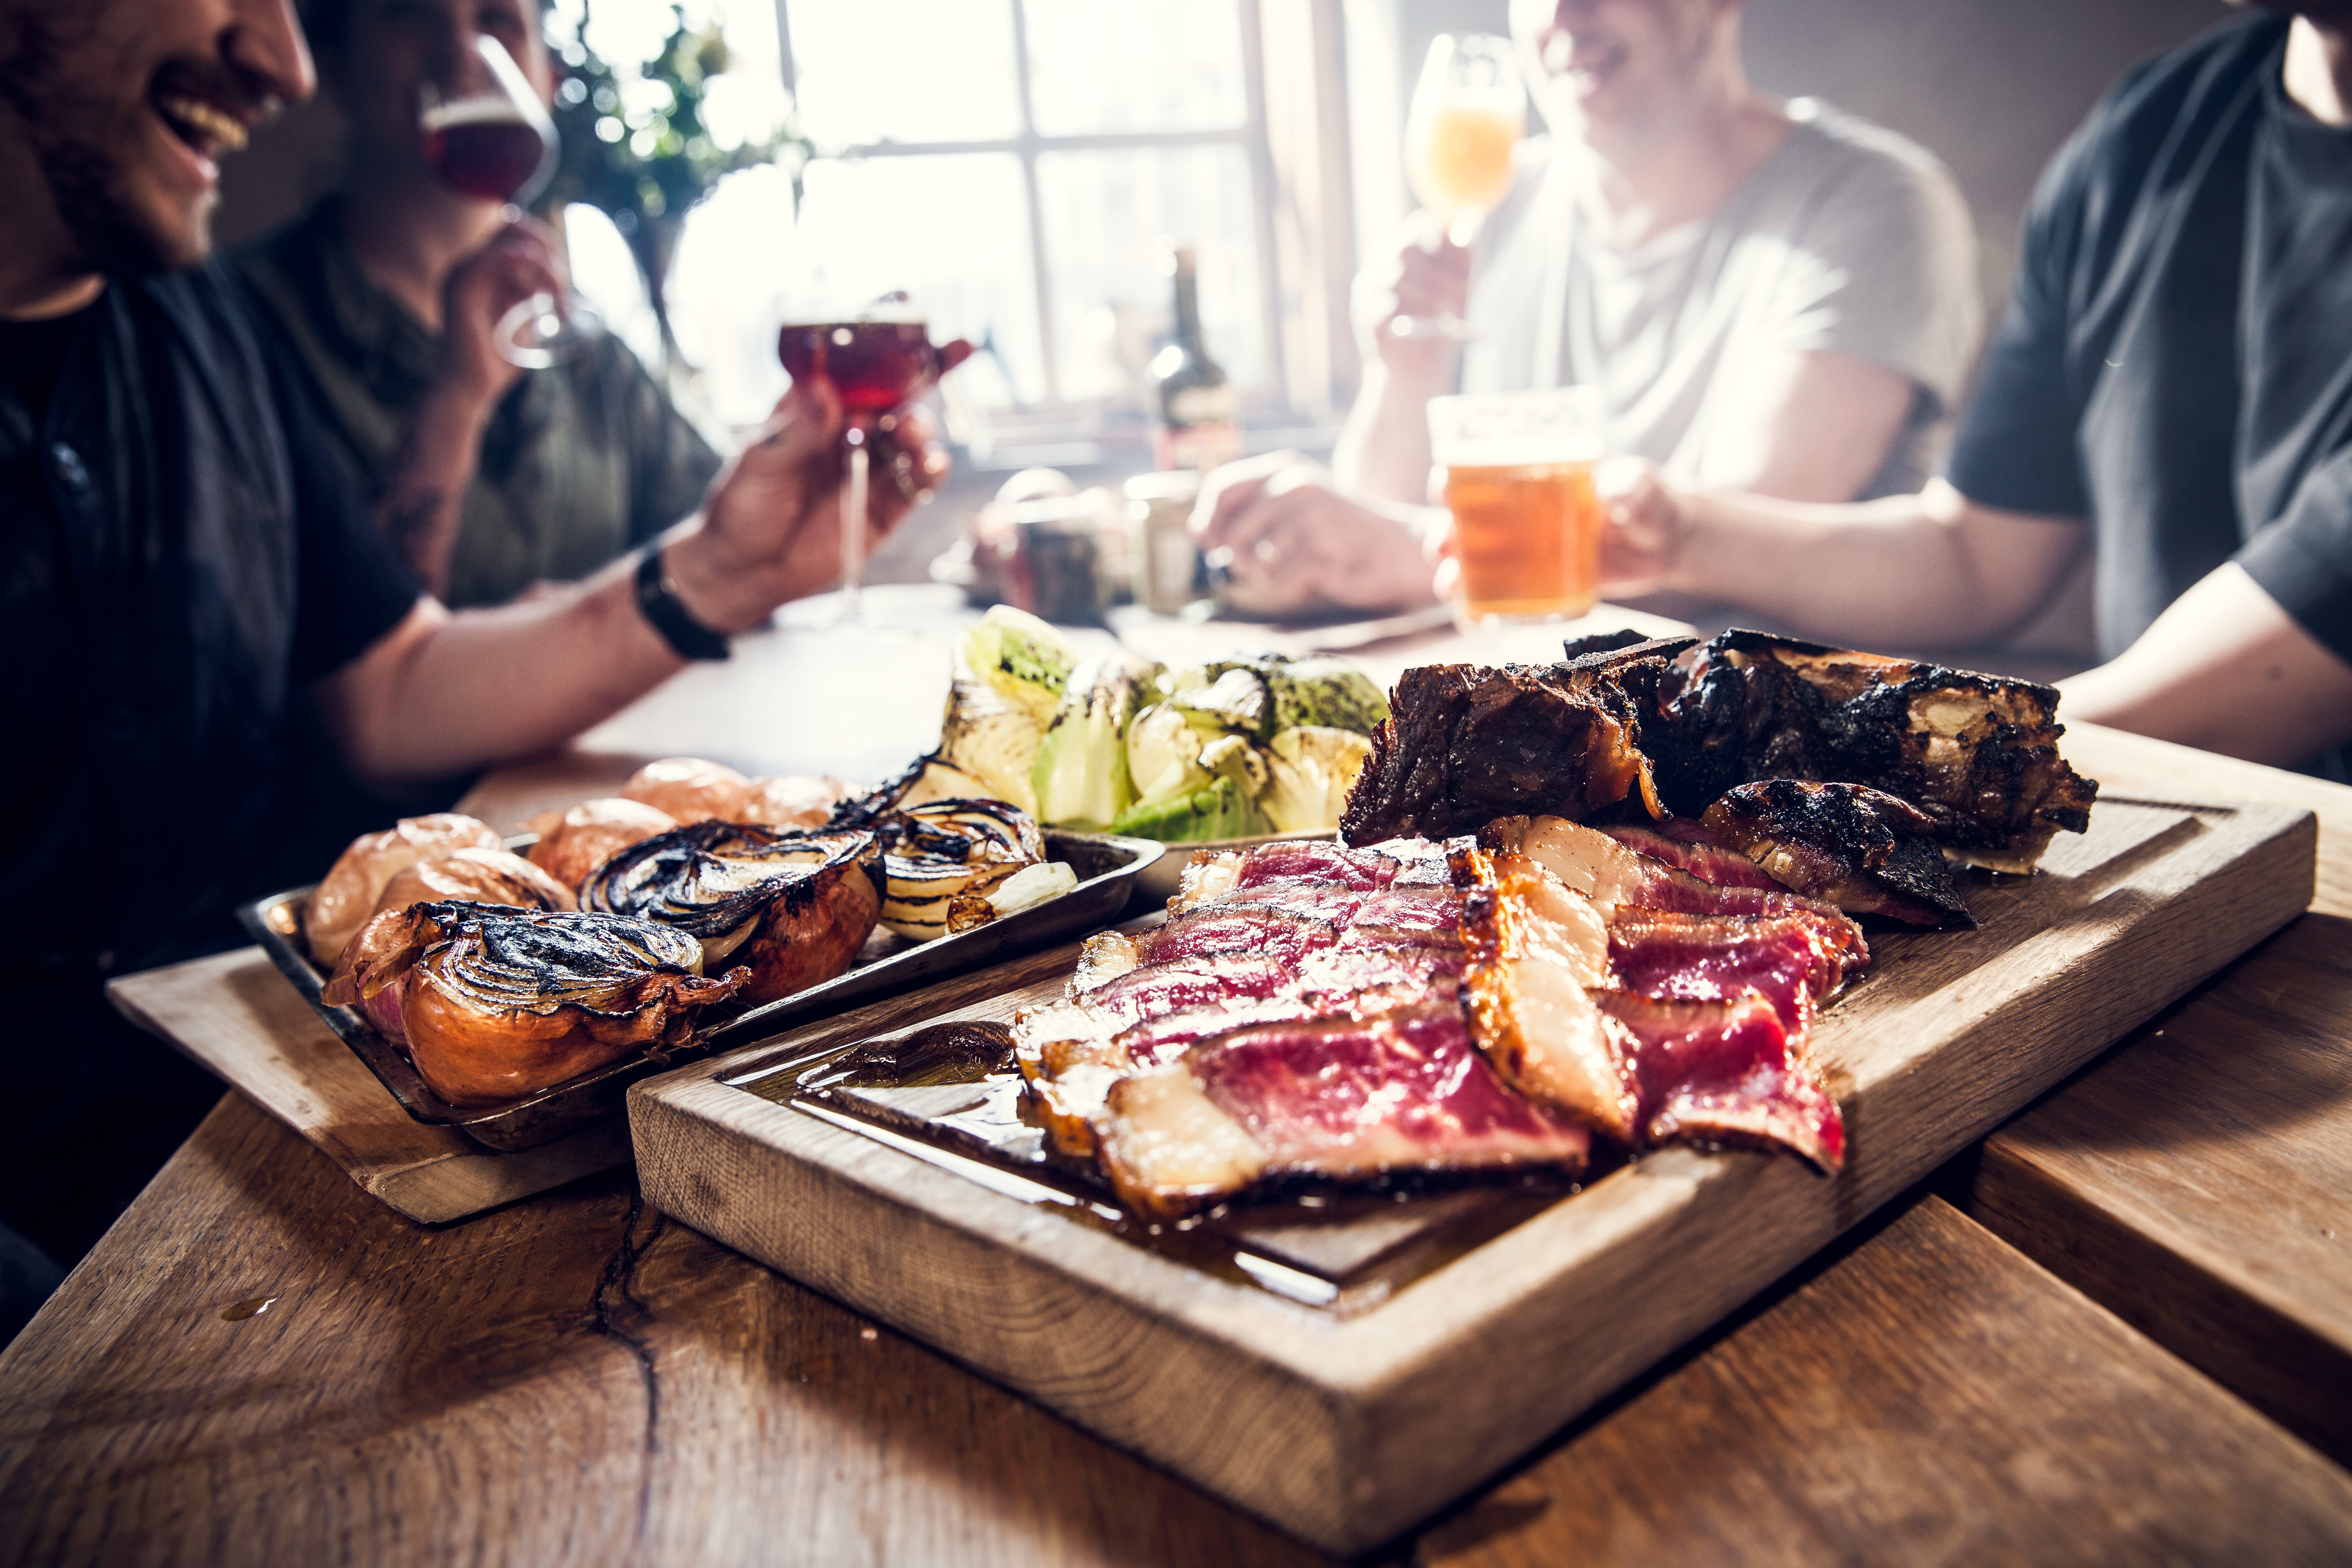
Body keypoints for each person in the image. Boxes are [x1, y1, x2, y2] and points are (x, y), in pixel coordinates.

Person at [0, 0, 950, 1270]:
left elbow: (391, 688)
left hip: (282, 1106)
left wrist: (725, 572)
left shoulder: (196, 325)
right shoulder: (267, 303)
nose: (281, 61)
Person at [1603, 2, 2352, 774]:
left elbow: (2254, 685)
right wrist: (1680, 535)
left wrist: (1866, 768)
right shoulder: (2154, 129)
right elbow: (1976, 556)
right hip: (2174, 808)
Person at [1194, 0, 1982, 618]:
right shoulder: (1493, 202)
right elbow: (1381, 519)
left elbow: (1737, 537)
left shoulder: (1873, 204)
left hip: (1761, 745)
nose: (1564, 12)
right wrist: (1404, 372)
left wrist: (1402, 550)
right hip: (1534, 720)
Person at [236, 0, 720, 608]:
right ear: (334, 68)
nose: (461, 55)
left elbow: (723, 540)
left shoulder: (591, 352)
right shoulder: (241, 327)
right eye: (410, 12)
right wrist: (458, 400)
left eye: (497, 18)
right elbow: (342, 645)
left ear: (549, 80)